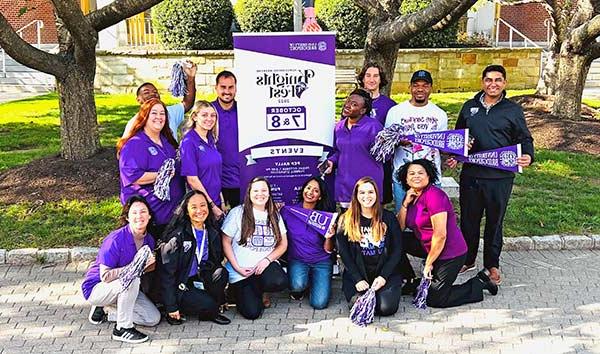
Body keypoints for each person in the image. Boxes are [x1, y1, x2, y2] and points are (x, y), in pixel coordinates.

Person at [448, 65, 534, 284]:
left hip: (500, 177)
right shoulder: (469, 107)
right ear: (482, 82)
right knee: (468, 220)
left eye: (497, 80)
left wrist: (528, 156)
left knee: (494, 223)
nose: (492, 84)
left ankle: (492, 266)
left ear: (504, 83)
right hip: (471, 175)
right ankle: (467, 259)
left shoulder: (512, 110)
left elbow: (525, 139)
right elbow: (459, 137)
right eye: (488, 80)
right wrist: (456, 154)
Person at [396, 159, 498, 308]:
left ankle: (479, 283)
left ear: (429, 176)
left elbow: (440, 234)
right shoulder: (412, 196)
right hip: (428, 246)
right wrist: (404, 205)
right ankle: (410, 280)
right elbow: (398, 228)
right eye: (411, 173)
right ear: (405, 178)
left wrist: (428, 264)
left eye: (420, 173)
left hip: (449, 253)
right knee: (394, 240)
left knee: (435, 299)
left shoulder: (434, 196)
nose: (416, 176)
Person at [81, 196, 160, 344]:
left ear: (149, 215)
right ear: (127, 217)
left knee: (152, 318)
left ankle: (107, 311)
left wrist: (151, 264)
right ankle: (122, 328)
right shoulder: (115, 239)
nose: (139, 216)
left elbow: (144, 269)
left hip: (122, 287)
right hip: (98, 287)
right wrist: (133, 268)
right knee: (132, 279)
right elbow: (105, 276)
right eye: (134, 213)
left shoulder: (149, 240)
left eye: (143, 211)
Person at [158, 190, 231, 326]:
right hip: (182, 283)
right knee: (208, 304)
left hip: (201, 276)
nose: (199, 210)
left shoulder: (211, 231)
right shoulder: (177, 236)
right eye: (194, 207)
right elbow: (167, 274)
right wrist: (171, 306)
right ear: (186, 211)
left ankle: (212, 306)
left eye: (203, 205)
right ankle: (208, 308)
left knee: (221, 273)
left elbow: (216, 261)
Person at [221, 177, 288, 319]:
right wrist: (237, 267)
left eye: (264, 190)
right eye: (256, 190)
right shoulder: (237, 213)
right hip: (241, 271)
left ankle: (260, 290)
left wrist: (267, 260)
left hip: (263, 267)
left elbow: (283, 244)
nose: (260, 194)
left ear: (269, 193)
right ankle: (237, 291)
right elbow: (225, 241)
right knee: (252, 313)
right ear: (249, 193)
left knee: (279, 281)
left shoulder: (274, 214)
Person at [117, 98, 185, 238]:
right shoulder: (134, 144)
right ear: (144, 116)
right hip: (150, 215)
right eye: (154, 113)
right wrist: (163, 174)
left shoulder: (168, 141)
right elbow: (133, 176)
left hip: (173, 214)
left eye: (162, 114)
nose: (159, 117)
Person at [336, 177, 403, 316]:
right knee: (362, 308)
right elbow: (344, 253)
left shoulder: (388, 218)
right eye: (362, 193)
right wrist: (357, 278)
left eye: (370, 192)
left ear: (377, 194)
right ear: (356, 196)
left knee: (386, 308)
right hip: (359, 274)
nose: (367, 196)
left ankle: (387, 292)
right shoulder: (346, 219)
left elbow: (397, 250)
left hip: (385, 273)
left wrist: (384, 276)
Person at [385, 70, 448, 213]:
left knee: (430, 219)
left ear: (431, 88)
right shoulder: (395, 112)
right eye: (416, 85)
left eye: (425, 85)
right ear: (410, 87)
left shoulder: (440, 114)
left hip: (430, 177)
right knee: (403, 218)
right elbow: (385, 143)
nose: (420, 89)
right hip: (402, 176)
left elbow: (443, 145)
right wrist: (398, 142)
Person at [281, 177, 336, 309]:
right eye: (308, 188)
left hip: (321, 261)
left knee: (319, 304)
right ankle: (303, 285)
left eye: (316, 190)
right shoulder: (288, 212)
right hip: (298, 260)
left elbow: (329, 250)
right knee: (297, 285)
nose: (310, 192)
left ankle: (317, 281)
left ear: (320, 197)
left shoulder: (325, 217)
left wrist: (329, 237)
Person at [324, 89, 383, 209]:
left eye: (354, 104)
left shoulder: (374, 127)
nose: (347, 105)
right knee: (348, 225)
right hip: (345, 188)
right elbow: (339, 151)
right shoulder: (339, 127)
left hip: (368, 188)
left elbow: (384, 156)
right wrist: (331, 162)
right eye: (348, 101)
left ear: (363, 110)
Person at [122, 62, 197, 141]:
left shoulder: (170, 112)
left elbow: (188, 103)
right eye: (146, 93)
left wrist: (190, 78)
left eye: (155, 92)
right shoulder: (134, 123)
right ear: (138, 100)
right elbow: (124, 148)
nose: (152, 95)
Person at [358, 62, 397, 205]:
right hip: (359, 157)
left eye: (376, 76)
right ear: (363, 79)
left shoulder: (390, 106)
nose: (371, 79)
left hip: (381, 161)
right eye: (368, 75)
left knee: (380, 199)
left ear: (381, 80)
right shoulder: (354, 103)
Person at [180, 101, 224, 220]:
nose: (209, 119)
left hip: (216, 202)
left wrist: (221, 201)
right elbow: (192, 179)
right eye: (204, 115)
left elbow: (216, 173)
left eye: (213, 115)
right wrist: (212, 206)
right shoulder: (189, 142)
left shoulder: (211, 140)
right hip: (201, 207)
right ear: (194, 117)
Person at [213, 71, 241, 208]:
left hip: (242, 180)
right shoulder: (208, 112)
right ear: (216, 88)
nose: (227, 91)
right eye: (223, 87)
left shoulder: (245, 111)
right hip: (216, 181)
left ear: (236, 88)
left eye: (231, 87)